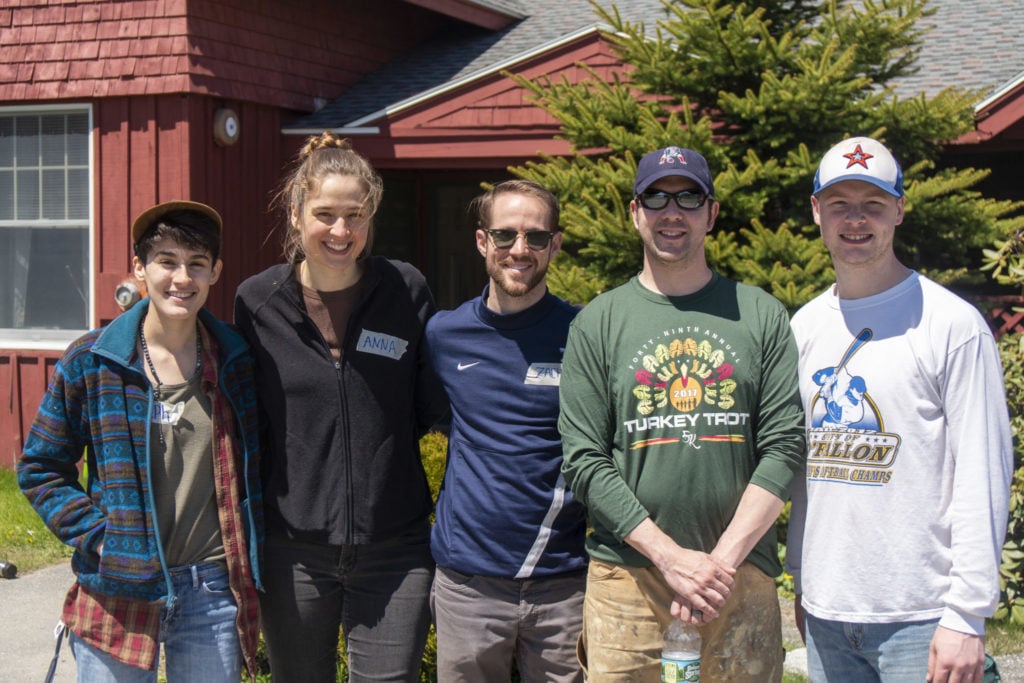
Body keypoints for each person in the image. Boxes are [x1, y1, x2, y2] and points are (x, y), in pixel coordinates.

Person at [558, 146, 806, 682]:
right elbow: (584, 460)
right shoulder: (598, 322)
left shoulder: (760, 314)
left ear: (711, 213)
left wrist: (717, 564)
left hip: (739, 578)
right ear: (635, 211)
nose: (673, 211)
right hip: (628, 579)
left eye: (689, 197)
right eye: (657, 197)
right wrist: (671, 558)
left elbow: (785, 445)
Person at [786, 136, 1014, 682]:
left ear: (899, 210)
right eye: (840, 203)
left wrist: (967, 612)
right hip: (826, 612)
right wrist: (800, 579)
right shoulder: (804, 326)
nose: (855, 219)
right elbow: (802, 469)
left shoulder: (951, 325)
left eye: (874, 203)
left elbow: (984, 473)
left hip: (923, 616)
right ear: (817, 211)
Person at [18, 200, 264, 682]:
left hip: (212, 589)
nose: (182, 278)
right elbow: (40, 467)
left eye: (196, 264)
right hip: (117, 592)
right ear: (140, 268)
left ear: (216, 270)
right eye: (167, 261)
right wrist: (102, 540)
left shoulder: (237, 359)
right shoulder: (92, 361)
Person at [233, 132, 448, 682]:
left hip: (395, 550)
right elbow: (244, 418)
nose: (340, 231)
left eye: (355, 215)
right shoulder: (257, 302)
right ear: (296, 212)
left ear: (371, 215)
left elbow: (427, 407)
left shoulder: (406, 291)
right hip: (293, 552)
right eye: (324, 214)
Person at [426, 180, 588, 682]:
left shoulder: (583, 334)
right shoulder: (444, 335)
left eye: (536, 238)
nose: (520, 250)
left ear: (554, 246)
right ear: (482, 242)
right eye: (505, 235)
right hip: (468, 587)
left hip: (564, 586)